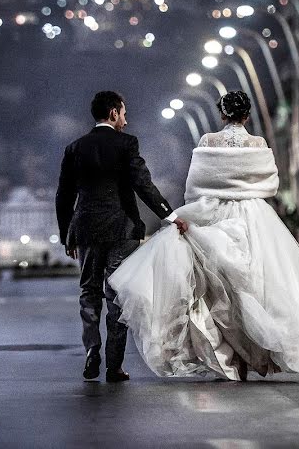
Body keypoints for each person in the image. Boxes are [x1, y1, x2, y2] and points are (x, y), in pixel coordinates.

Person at [109, 91, 299, 381]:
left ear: (222, 114)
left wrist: (206, 198)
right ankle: (255, 352)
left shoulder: (208, 142)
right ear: (247, 115)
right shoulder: (258, 144)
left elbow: (195, 184)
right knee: (256, 285)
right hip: (253, 216)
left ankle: (227, 358)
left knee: (213, 289)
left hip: (212, 213)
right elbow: (270, 182)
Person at [56, 91, 188, 383]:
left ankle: (92, 349)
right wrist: (170, 215)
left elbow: (63, 196)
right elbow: (143, 184)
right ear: (114, 113)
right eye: (124, 114)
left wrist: (67, 233)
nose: (126, 121)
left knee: (89, 291)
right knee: (117, 295)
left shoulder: (74, 148)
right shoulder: (126, 144)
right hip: (121, 230)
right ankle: (114, 366)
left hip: (87, 230)